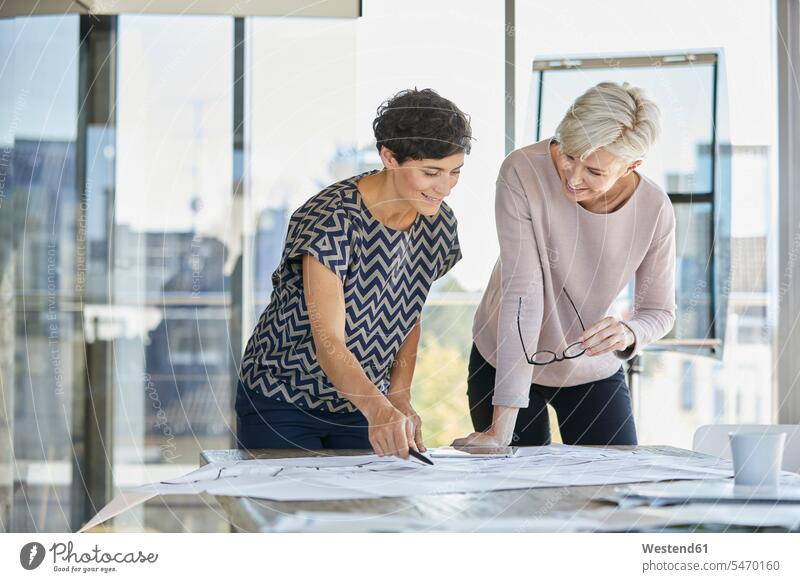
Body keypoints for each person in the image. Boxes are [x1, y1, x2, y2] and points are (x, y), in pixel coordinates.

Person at [236, 88, 471, 459]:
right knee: (288, 514)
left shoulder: (438, 224)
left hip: (361, 404)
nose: (444, 187)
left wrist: (398, 396)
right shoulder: (331, 217)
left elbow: (409, 316)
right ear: (389, 157)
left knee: (367, 512)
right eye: (431, 172)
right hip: (283, 398)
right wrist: (378, 409)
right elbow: (327, 337)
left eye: (454, 172)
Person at [454, 81, 675, 448]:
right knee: (516, 493)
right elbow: (522, 293)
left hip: (589, 367)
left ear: (630, 166)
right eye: (568, 155)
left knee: (610, 491)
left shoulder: (654, 209)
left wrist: (629, 332)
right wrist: (500, 431)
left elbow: (659, 311)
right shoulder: (523, 170)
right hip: (504, 359)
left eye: (594, 171)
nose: (573, 178)